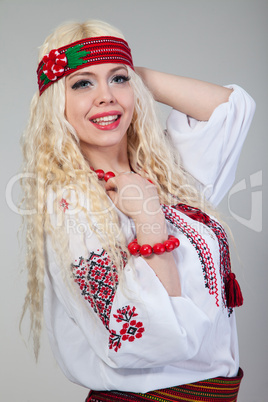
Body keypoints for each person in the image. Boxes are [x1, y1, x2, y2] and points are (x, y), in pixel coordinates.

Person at [20, 19, 255, 402]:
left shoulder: (165, 173)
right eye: (82, 84)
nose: (105, 97)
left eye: (118, 79)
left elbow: (231, 109)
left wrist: (128, 75)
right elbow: (151, 337)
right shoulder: (73, 205)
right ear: (55, 104)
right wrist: (147, 220)